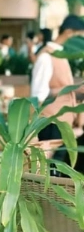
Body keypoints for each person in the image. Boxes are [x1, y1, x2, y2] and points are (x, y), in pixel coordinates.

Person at [31, 15, 84, 144]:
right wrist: (74, 89)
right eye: (79, 37)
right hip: (51, 123)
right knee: (50, 157)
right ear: (68, 32)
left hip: (61, 123)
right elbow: (39, 95)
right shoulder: (46, 57)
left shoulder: (60, 54)